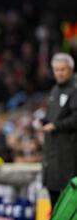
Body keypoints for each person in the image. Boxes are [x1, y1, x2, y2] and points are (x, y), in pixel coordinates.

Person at [41, 53, 77, 208]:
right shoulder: (55, 89)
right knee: (52, 184)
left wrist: (56, 126)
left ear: (71, 69)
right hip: (52, 147)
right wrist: (44, 122)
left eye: (63, 69)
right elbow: (52, 115)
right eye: (56, 69)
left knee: (67, 187)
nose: (59, 73)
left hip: (69, 148)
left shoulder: (75, 90)